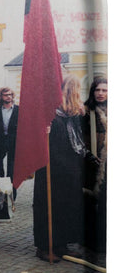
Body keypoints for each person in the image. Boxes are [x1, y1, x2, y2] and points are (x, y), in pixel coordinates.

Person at [33, 75, 99, 262]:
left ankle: (61, 244)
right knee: (48, 206)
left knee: (66, 207)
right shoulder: (51, 113)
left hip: (69, 168)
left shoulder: (74, 114)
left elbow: (77, 142)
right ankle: (45, 246)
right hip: (51, 167)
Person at [82, 76, 107, 252]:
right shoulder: (85, 111)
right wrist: (89, 156)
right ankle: (90, 241)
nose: (100, 93)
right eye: (97, 90)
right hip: (90, 162)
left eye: (104, 90)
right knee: (89, 202)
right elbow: (78, 138)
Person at [0, 87, 18, 199]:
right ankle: (1, 197)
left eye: (10, 94)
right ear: (1, 97)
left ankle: (12, 196)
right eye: (6, 95)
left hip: (13, 142)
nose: (8, 96)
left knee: (12, 170)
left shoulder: (18, 110)